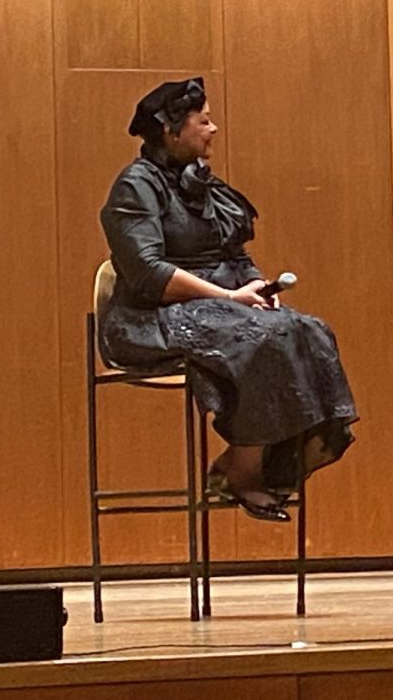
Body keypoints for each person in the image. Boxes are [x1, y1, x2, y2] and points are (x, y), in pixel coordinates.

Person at [99, 77, 357, 522]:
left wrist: (257, 287)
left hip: (218, 305)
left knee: (307, 329)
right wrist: (228, 296)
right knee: (259, 337)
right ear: (170, 130)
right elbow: (148, 273)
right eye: (203, 121)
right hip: (151, 315)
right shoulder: (135, 186)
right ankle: (244, 469)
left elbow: (234, 252)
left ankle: (292, 454)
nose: (213, 129)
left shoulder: (203, 182)